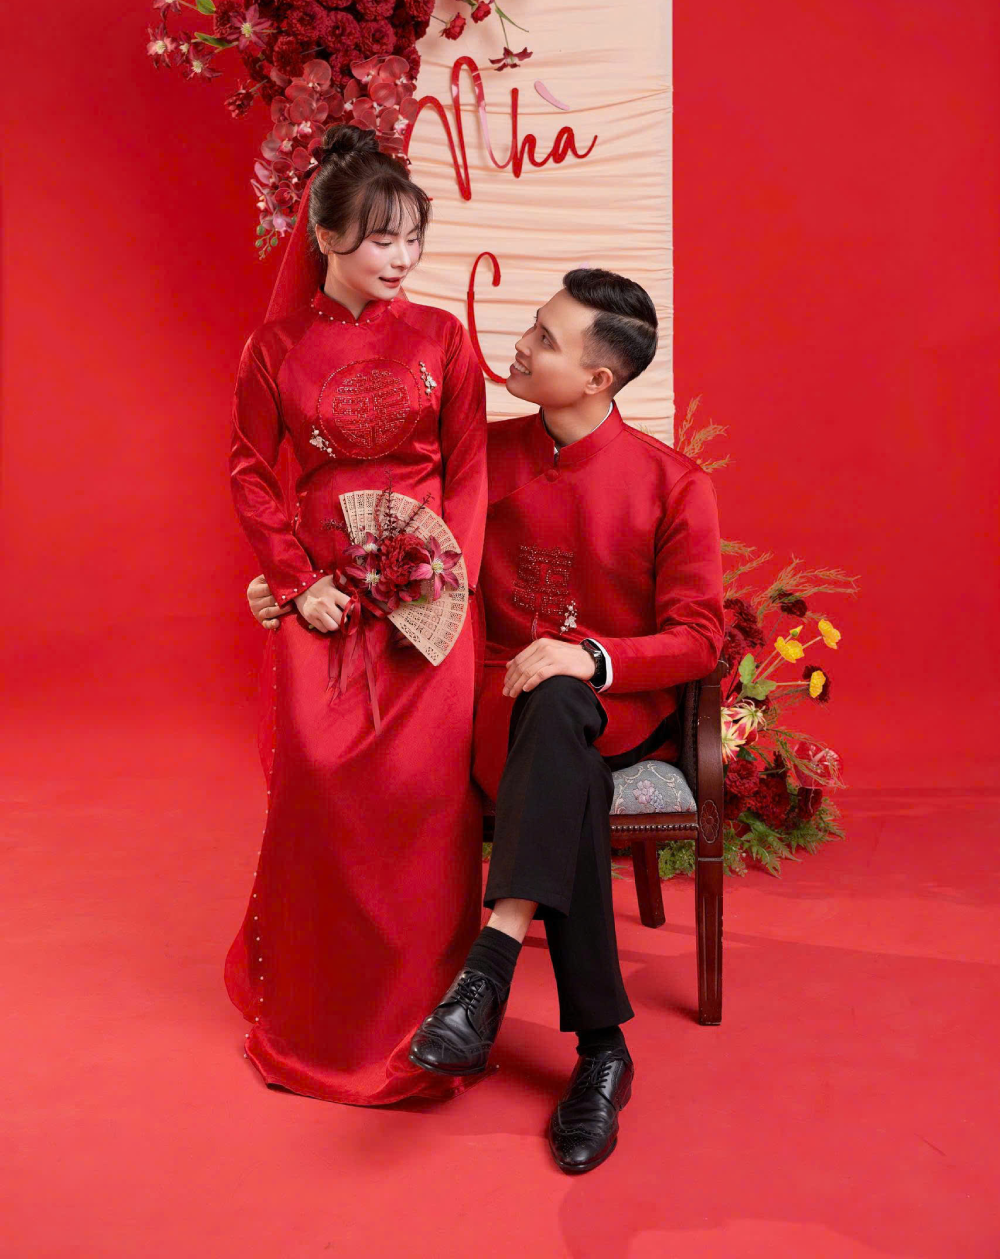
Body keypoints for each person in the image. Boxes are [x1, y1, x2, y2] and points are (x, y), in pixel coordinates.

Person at [247, 268, 723, 1167]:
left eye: (545, 339)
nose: (519, 344)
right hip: (488, 707)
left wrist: (588, 657)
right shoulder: (476, 457)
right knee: (558, 760)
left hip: (610, 706)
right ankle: (601, 1053)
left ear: (598, 379)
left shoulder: (674, 484)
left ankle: (492, 970)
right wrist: (291, 584)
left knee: (560, 704)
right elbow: (385, 549)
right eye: (533, 325)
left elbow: (700, 638)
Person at [228, 124, 487, 1106]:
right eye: (382, 238)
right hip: (328, 597)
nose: (402, 257)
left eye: (413, 238)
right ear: (327, 235)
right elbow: (251, 472)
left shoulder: (443, 339)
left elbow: (468, 469)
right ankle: (322, 1018)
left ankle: (429, 1020)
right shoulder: (274, 349)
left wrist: (444, 580)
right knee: (322, 796)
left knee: (426, 806)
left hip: (429, 603)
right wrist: (299, 582)